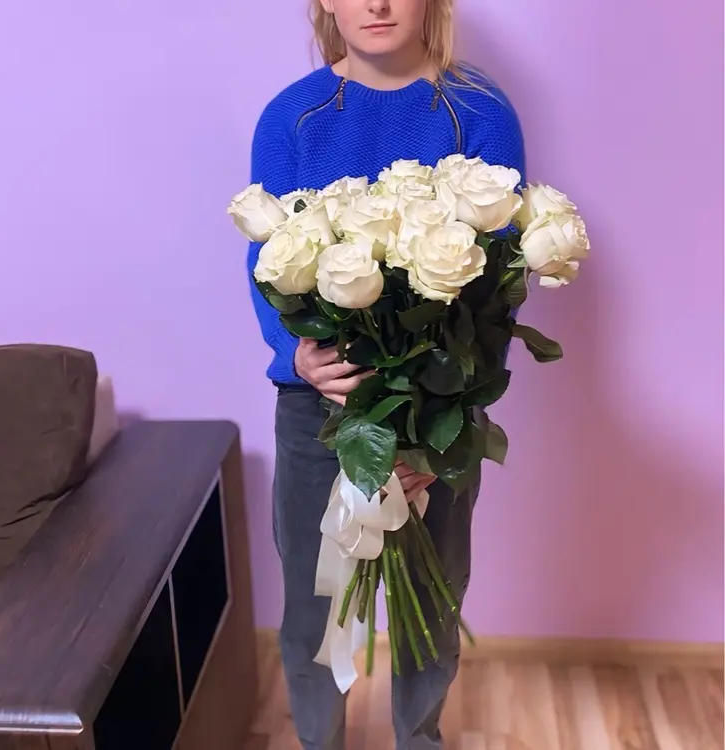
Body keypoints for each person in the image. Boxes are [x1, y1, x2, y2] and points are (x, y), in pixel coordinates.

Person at [245, 1, 525, 747]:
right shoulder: (293, 117)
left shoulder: (479, 113)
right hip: (317, 405)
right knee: (313, 601)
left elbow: (499, 285)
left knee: (431, 600)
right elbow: (265, 258)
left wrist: (439, 432)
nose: (375, 4)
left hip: (440, 406)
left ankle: (420, 738)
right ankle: (319, 740)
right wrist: (296, 353)